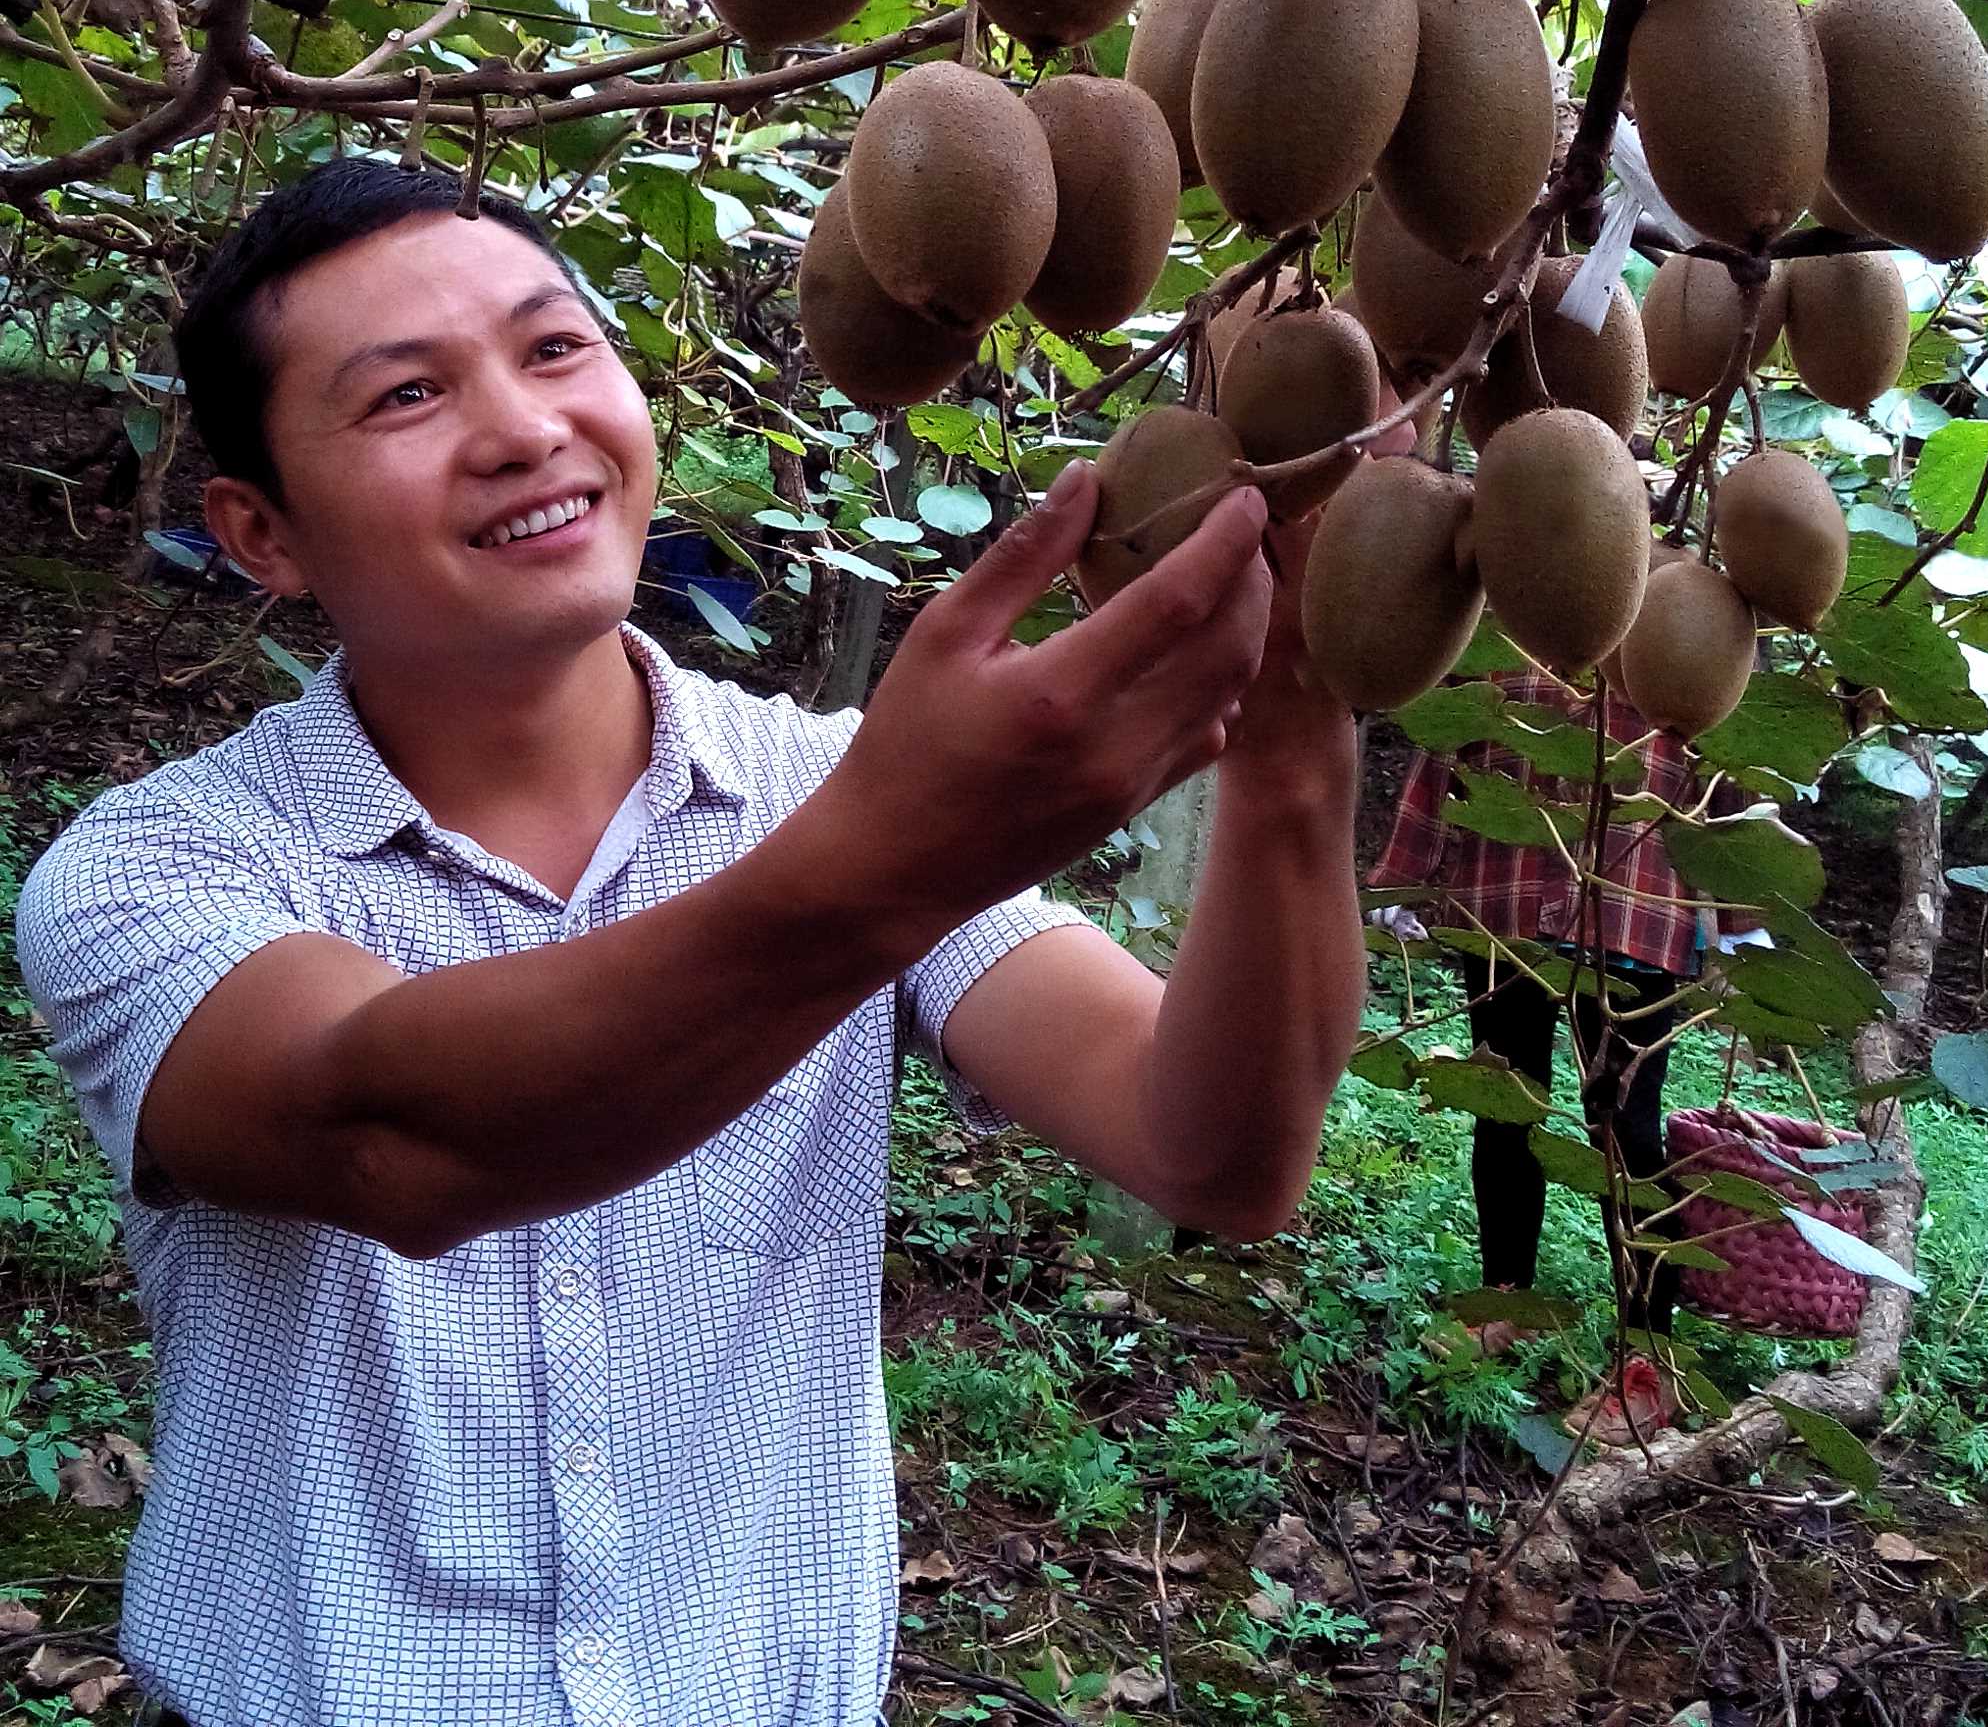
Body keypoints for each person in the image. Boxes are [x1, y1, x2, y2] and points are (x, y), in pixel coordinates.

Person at [17, 158, 1368, 1727]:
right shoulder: (150, 870)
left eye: (555, 348)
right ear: (262, 532)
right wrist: (900, 853)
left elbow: (1215, 1156)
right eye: (403, 398)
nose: (524, 430)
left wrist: (1294, 736)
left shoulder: (827, 791)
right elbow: (396, 1140)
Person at [1365, 664, 1727, 1445]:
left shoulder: (1678, 620)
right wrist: (1405, 877)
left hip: (1635, 916)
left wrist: (1737, 917)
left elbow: (1719, 773)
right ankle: (1506, 1301)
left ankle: (1647, 1359)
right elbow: (1446, 749)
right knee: (1503, 1105)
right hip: (1504, 904)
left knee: (1626, 1130)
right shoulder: (1507, 617)